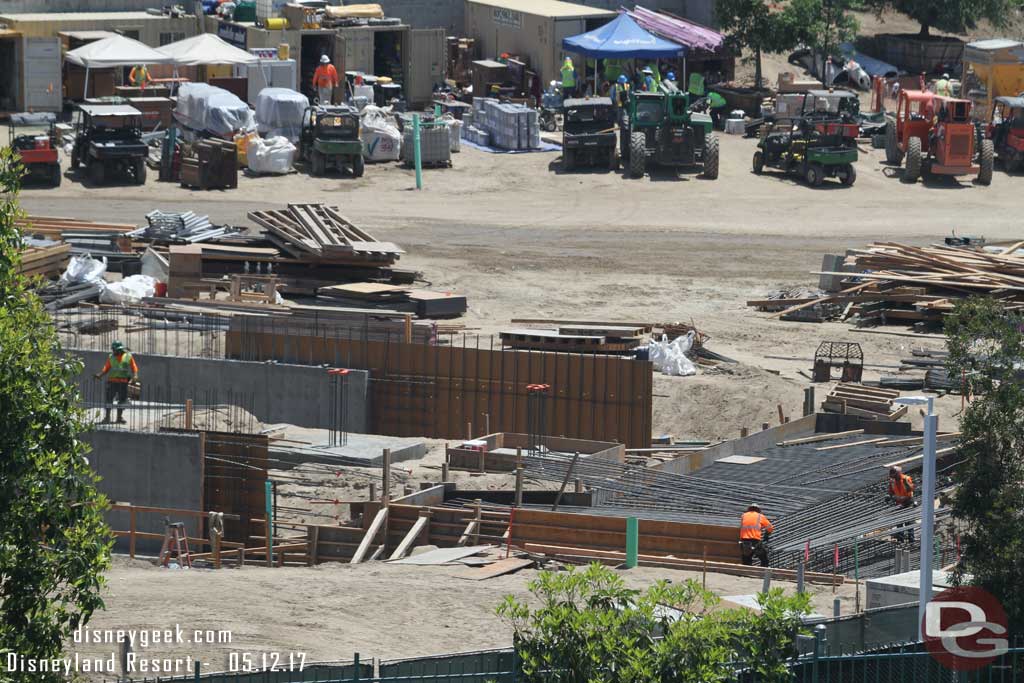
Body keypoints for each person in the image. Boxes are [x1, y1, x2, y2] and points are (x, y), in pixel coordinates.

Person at [94, 340, 138, 424]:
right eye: (113, 349)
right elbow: (106, 368)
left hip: (123, 382)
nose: (113, 351)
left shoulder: (128, 356)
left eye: (115, 350)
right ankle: (107, 418)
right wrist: (100, 374)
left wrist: (135, 375)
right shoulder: (111, 357)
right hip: (112, 382)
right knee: (108, 400)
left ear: (119, 349)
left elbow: (134, 367)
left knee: (122, 400)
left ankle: (119, 418)